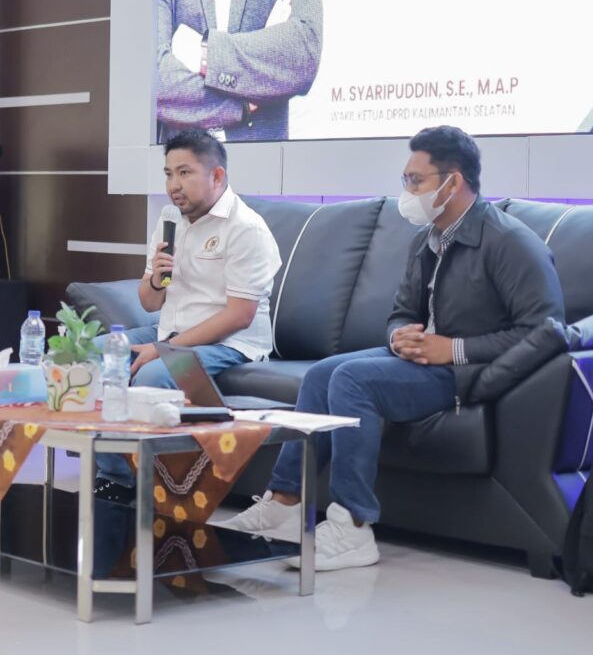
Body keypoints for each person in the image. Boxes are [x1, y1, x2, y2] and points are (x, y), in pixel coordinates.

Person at [220, 126, 566, 571]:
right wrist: (399, 335)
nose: (407, 191)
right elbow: (402, 312)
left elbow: (544, 330)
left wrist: (454, 350)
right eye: (406, 180)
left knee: (352, 380)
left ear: (453, 182)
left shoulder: (509, 242)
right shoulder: (427, 239)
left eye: (415, 181)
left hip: (467, 372)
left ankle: (352, 526)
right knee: (322, 374)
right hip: (420, 360)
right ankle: (285, 503)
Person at [95, 129, 281, 502]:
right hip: (170, 330)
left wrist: (165, 349)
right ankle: (116, 478)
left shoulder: (245, 228)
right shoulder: (169, 219)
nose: (173, 186)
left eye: (184, 173)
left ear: (217, 176)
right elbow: (149, 303)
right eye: (168, 174)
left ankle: (159, 488)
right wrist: (157, 277)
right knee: (92, 353)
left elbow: (239, 316)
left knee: (153, 373)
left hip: (231, 341)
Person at [157, 0, 323, 143]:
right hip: (185, 153)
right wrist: (242, 106)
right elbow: (155, 80)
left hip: (262, 153)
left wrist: (207, 53)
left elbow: (305, 52)